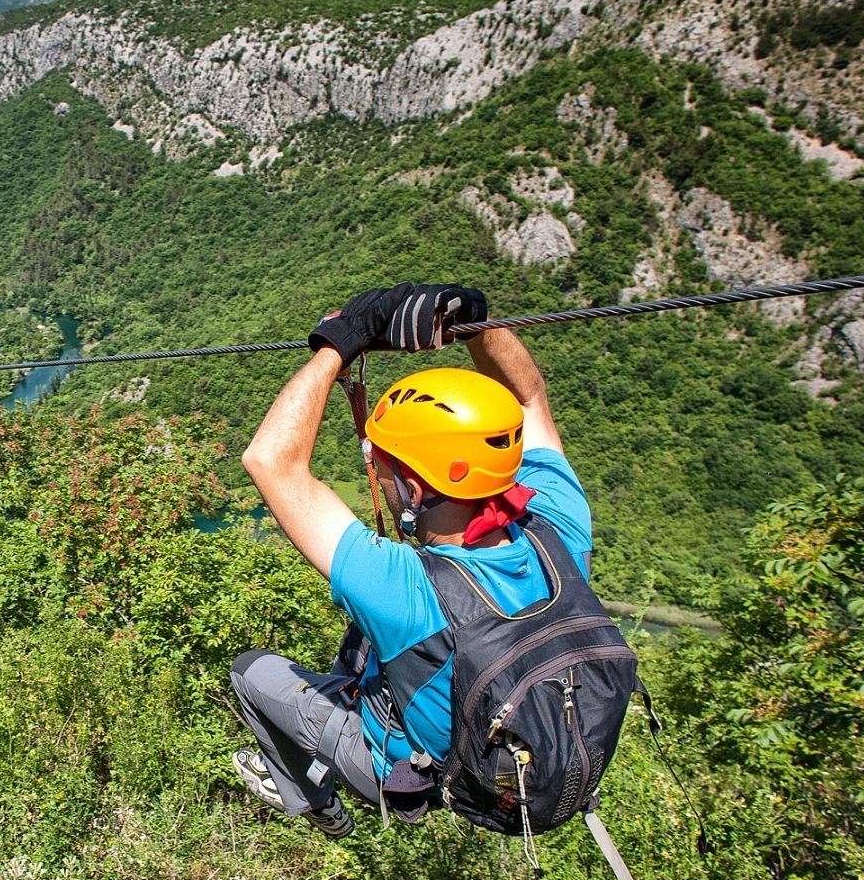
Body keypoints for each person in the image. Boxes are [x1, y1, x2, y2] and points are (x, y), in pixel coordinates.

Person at [229, 282, 595, 837]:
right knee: (364, 642)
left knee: (251, 674)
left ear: (416, 490)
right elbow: (530, 400)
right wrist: (472, 324)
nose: (378, 474)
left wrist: (339, 342)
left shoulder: (404, 591)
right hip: (516, 745)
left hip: (419, 773)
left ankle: (316, 803)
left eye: (385, 466)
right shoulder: (558, 526)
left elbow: (271, 461)